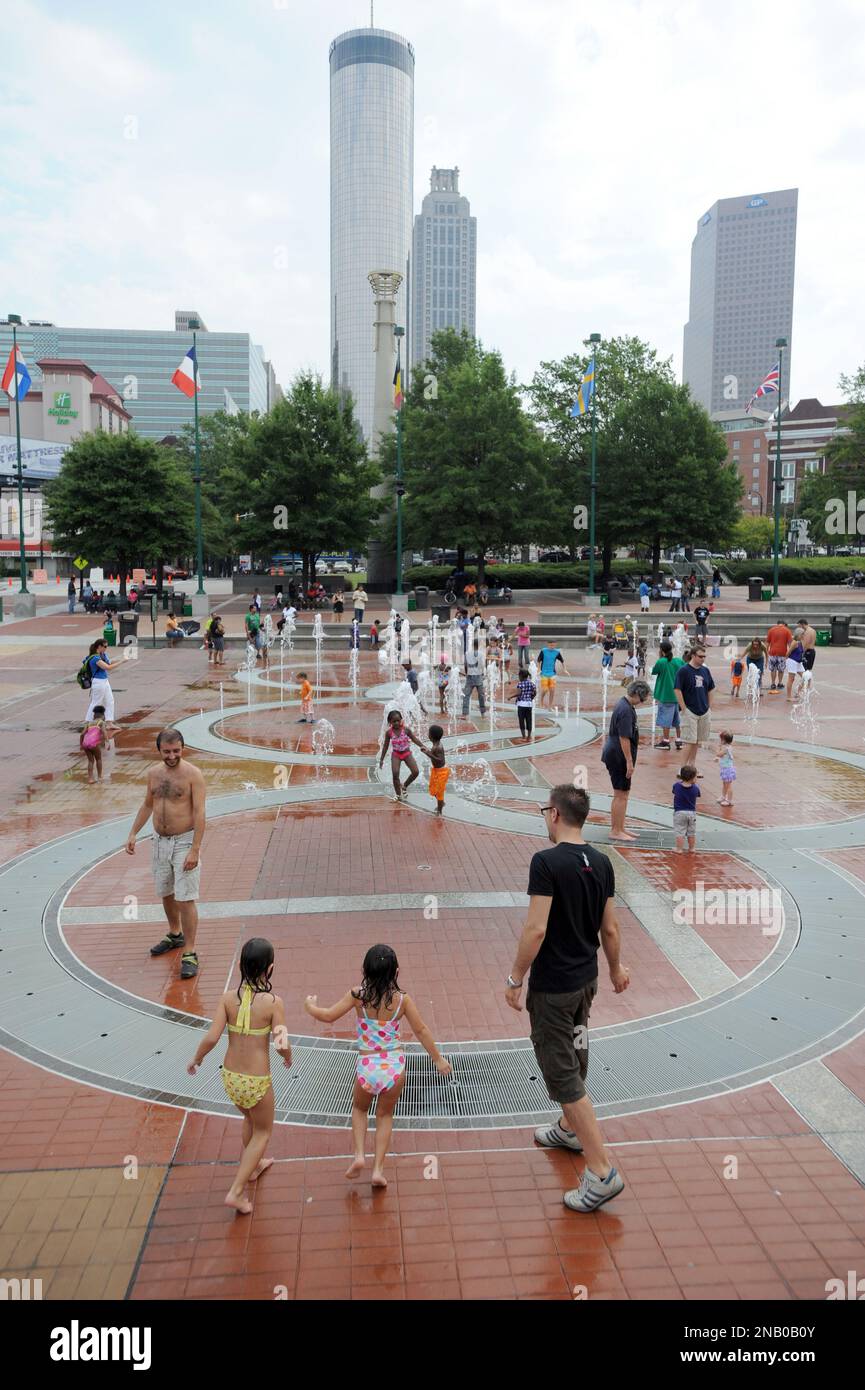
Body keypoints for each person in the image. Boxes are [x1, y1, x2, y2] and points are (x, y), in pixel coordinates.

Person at [505, 784, 629, 1212]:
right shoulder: (601, 861)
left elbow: (535, 929)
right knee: (577, 1051)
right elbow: (609, 929)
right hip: (585, 982)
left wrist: (515, 977)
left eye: (544, 811)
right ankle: (568, 1129)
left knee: (562, 1074)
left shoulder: (546, 863)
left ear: (555, 815)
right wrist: (615, 968)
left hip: (553, 987)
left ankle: (601, 1172)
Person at [304, 944, 451, 1188]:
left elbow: (328, 1015)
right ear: (396, 973)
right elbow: (421, 1030)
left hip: (367, 1065)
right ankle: (378, 1170)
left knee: (360, 1110)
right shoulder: (402, 1001)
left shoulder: (357, 996)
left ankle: (360, 1155)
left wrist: (310, 1006)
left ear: (364, 970)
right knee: (384, 1116)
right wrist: (437, 1058)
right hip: (393, 1067)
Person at [187, 938, 291, 1214]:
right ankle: (236, 1191)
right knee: (263, 1131)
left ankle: (255, 1165)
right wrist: (287, 1057)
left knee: (248, 1117)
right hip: (257, 1080)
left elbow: (212, 1037)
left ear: (240, 966)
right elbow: (281, 1042)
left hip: (230, 1077)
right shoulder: (273, 1002)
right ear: (270, 969)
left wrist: (197, 1059)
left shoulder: (226, 999)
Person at [126, 727, 207, 980]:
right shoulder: (153, 774)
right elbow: (147, 804)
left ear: (183, 748)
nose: (172, 756)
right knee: (166, 892)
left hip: (184, 841)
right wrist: (133, 833)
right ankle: (175, 934)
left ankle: (190, 951)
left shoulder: (193, 775)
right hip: (159, 841)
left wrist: (195, 848)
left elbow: (200, 813)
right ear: (159, 750)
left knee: (185, 898)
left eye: (176, 751)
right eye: (167, 751)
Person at [601, 679, 650, 842]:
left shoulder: (625, 705)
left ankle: (620, 827)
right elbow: (624, 738)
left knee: (624, 793)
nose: (643, 702)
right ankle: (615, 830)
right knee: (620, 794)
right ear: (636, 694)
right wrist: (629, 762)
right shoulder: (626, 710)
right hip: (618, 755)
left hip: (616, 752)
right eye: (643, 698)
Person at [674, 646, 715, 773]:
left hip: (703, 711)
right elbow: (677, 689)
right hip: (690, 711)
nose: (703, 659)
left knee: (696, 740)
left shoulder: (705, 671)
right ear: (693, 656)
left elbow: (711, 688)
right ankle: (682, 769)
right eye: (700, 656)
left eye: (704, 656)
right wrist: (684, 708)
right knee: (689, 741)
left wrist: (709, 706)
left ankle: (692, 767)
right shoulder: (683, 671)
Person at [648, 640, 685, 751]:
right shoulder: (678, 661)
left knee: (666, 720)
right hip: (677, 695)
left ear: (661, 650)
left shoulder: (662, 661)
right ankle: (679, 740)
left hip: (665, 695)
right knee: (676, 720)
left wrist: (660, 658)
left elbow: (654, 672)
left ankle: (666, 741)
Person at [379, 710, 421, 802]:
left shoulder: (406, 730)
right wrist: (381, 759)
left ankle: (404, 785)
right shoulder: (389, 733)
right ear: (390, 722)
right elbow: (385, 746)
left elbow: (414, 739)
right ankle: (398, 795)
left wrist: (422, 746)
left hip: (406, 753)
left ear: (401, 720)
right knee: (395, 773)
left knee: (415, 771)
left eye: (398, 720)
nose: (396, 723)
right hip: (396, 755)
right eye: (394, 721)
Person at [84, 638, 122, 722]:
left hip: (104, 681)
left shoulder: (102, 655)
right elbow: (107, 667)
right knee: (96, 702)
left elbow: (109, 662)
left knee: (110, 701)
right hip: (98, 682)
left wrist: (121, 659)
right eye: (105, 646)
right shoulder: (95, 658)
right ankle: (88, 721)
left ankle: (109, 721)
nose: (106, 648)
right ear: (99, 646)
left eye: (106, 646)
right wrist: (122, 662)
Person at [80, 705, 119, 784]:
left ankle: (90, 778)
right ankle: (100, 776)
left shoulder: (89, 723)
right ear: (103, 716)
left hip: (86, 744)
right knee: (98, 759)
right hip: (94, 744)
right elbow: (104, 732)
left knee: (90, 761)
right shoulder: (101, 722)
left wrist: (81, 744)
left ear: (94, 715)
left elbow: (82, 734)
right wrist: (107, 742)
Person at [415, 724, 449, 815]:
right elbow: (434, 755)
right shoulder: (435, 744)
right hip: (436, 770)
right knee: (433, 789)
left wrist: (427, 753)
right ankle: (441, 802)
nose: (428, 735)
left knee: (439, 792)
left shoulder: (438, 747)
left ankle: (439, 810)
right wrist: (427, 750)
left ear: (431, 736)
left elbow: (439, 759)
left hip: (442, 772)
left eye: (428, 733)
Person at [673, 765, 700, 853]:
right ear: (692, 778)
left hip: (679, 812)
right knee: (691, 832)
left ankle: (679, 849)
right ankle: (692, 848)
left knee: (680, 831)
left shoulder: (676, 785)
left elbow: (674, 791)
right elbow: (698, 795)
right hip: (692, 813)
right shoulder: (695, 788)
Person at [538, 640, 567, 710]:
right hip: (544, 673)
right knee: (545, 690)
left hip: (552, 674)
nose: (552, 647)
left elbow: (562, 661)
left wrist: (565, 669)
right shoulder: (543, 651)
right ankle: (541, 701)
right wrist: (539, 669)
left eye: (553, 645)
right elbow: (539, 660)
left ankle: (550, 706)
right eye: (551, 645)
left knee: (552, 690)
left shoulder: (557, 652)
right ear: (548, 645)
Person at [765, 619, 793, 692]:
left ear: (777, 624)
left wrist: (766, 651)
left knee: (773, 669)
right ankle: (780, 683)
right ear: (784, 624)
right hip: (782, 653)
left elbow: (767, 642)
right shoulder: (787, 631)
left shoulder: (771, 630)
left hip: (772, 652)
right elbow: (790, 643)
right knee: (781, 669)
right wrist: (790, 653)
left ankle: (773, 683)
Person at [511, 666, 537, 741]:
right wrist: (531, 698)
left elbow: (519, 693)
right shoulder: (531, 684)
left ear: (521, 676)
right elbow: (535, 692)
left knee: (521, 720)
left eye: (519, 676)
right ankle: (529, 736)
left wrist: (511, 697)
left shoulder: (520, 684)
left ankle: (523, 736)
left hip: (521, 705)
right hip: (529, 704)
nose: (519, 677)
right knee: (529, 720)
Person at [716, 730, 736, 806]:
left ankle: (729, 800)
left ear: (723, 740)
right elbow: (724, 757)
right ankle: (723, 796)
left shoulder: (725, 749)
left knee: (728, 785)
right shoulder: (728, 747)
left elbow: (718, 754)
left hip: (727, 769)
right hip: (725, 768)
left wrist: (718, 746)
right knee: (725, 784)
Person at [785, 630, 805, 701]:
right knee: (791, 679)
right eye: (802, 634)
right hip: (792, 661)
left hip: (799, 662)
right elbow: (788, 653)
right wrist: (786, 661)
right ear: (799, 634)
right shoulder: (794, 642)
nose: (804, 635)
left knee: (805, 677)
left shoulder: (800, 642)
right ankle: (789, 697)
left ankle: (798, 692)